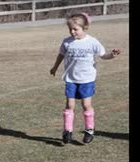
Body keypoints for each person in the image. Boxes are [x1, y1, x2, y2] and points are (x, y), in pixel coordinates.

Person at [49, 13, 120, 144]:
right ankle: (67, 131)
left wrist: (112, 55)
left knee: (86, 104)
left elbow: (103, 55)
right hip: (71, 79)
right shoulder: (67, 42)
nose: (72, 31)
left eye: (75, 29)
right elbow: (61, 55)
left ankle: (89, 130)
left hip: (87, 79)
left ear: (85, 28)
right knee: (69, 105)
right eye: (70, 29)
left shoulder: (92, 42)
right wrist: (54, 67)